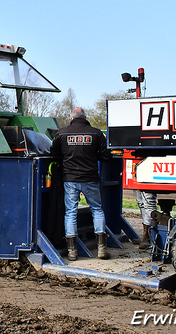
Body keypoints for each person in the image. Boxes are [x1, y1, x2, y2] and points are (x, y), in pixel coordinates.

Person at [50, 107, 112, 261]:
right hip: (90, 178)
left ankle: (72, 251)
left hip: (70, 179)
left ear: (71, 118)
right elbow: (106, 156)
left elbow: (54, 153)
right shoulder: (96, 133)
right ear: (85, 118)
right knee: (97, 209)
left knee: (70, 212)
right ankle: (102, 248)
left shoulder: (62, 133)